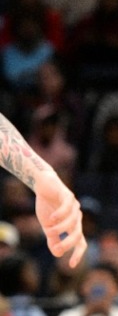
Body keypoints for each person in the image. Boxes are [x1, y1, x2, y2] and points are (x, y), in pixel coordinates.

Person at [0, 111, 86, 268]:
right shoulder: (28, 146)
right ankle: (17, 215)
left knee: (60, 178)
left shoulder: (67, 152)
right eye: (44, 126)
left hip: (49, 197)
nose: (48, 130)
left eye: (52, 126)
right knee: (12, 184)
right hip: (29, 190)